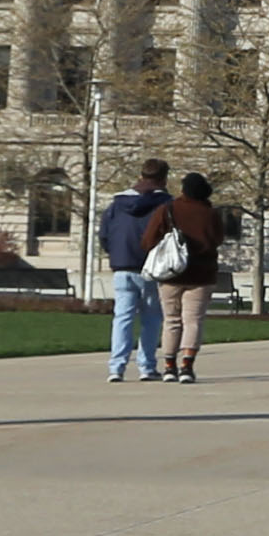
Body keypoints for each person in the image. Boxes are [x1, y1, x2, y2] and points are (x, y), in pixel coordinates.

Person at [94, 161, 180, 382]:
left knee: (122, 317)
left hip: (122, 265)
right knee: (151, 319)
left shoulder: (117, 204)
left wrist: (114, 253)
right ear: (163, 178)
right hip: (152, 267)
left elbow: (104, 234)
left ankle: (116, 367)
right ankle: (146, 366)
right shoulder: (167, 204)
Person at [155, 171, 225, 383]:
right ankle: (187, 365)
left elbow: (149, 238)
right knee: (193, 321)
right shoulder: (211, 214)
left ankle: (168, 366)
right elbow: (218, 239)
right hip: (201, 274)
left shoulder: (168, 209)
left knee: (171, 320)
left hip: (171, 273)